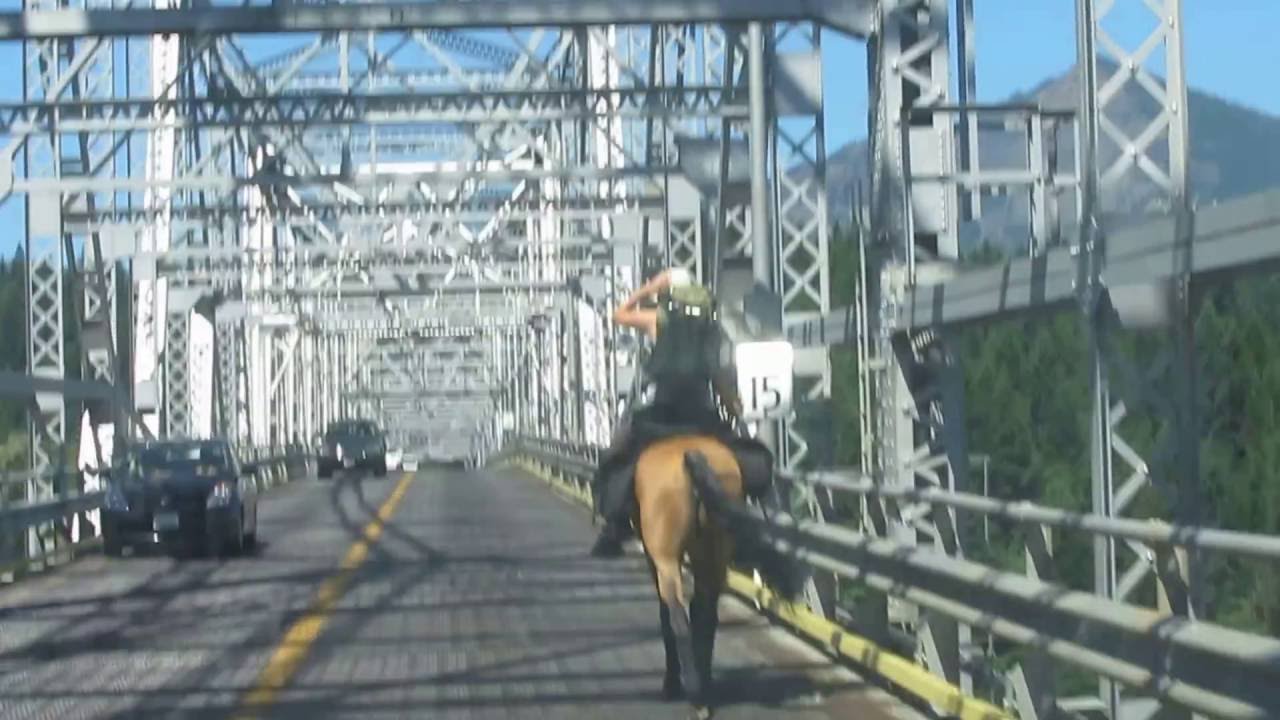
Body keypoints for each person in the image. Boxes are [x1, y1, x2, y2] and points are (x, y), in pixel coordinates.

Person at [589, 267, 740, 558]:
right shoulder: (711, 326)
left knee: (618, 455)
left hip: (664, 412)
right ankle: (750, 523)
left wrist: (647, 288)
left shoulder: (658, 319)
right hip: (701, 412)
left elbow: (618, 314)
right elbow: (719, 376)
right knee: (738, 455)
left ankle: (616, 525)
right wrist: (732, 404)